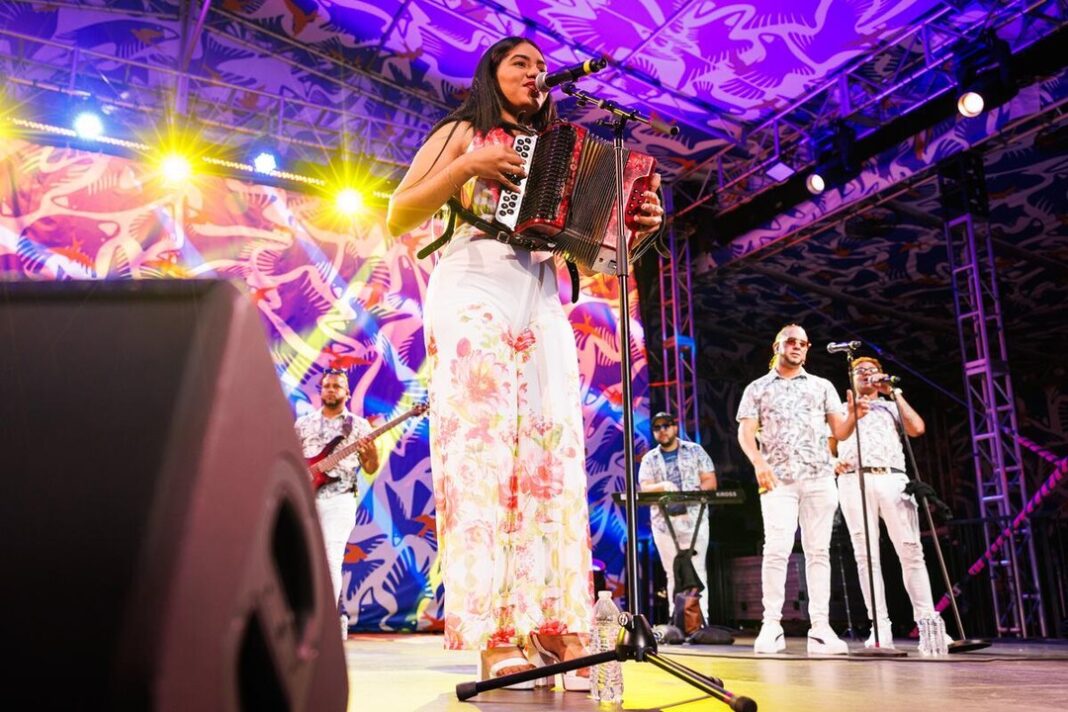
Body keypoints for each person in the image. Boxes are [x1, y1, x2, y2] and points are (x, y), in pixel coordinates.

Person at [387, 36, 664, 688]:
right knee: (483, 456)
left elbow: (604, 256)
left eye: (542, 66)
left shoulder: (562, 149)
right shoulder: (461, 131)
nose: (537, 73)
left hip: (540, 290)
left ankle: (553, 624)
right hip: (472, 279)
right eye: (522, 63)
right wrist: (468, 164)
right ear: (492, 72)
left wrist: (637, 235)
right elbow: (398, 213)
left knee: (553, 458)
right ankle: (494, 634)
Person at [736, 324, 868, 655]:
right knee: (776, 549)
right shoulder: (758, 388)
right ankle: (771, 625)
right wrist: (758, 463)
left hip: (819, 477)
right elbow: (745, 432)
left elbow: (839, 431)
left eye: (804, 343)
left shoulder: (822, 386)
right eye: (791, 341)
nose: (797, 346)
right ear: (777, 346)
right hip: (778, 479)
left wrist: (852, 417)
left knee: (818, 551)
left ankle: (820, 628)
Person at [834, 356, 945, 648]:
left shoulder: (891, 406)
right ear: (851, 377)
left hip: (893, 478)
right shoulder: (841, 409)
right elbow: (828, 444)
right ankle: (880, 628)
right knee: (865, 555)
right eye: (860, 371)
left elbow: (917, 428)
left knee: (911, 551)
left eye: (872, 370)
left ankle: (928, 625)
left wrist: (894, 393)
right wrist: (833, 462)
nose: (867, 374)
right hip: (854, 480)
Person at [294, 367, 379, 637]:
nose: (331, 390)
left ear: (347, 393)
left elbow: (370, 468)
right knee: (302, 558)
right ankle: (307, 617)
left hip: (340, 500)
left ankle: (325, 625)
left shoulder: (359, 426)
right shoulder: (303, 424)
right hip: (307, 500)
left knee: (332, 557)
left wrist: (371, 452)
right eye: (327, 386)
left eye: (337, 386)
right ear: (321, 390)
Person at [638, 411, 717, 616]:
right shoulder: (649, 459)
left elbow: (710, 481)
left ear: (675, 427)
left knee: (698, 569)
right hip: (663, 523)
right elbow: (645, 487)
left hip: (694, 519)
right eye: (657, 427)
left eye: (666, 425)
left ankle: (701, 618)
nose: (662, 430)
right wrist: (664, 485)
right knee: (672, 572)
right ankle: (678, 619)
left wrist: (692, 495)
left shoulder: (695, 450)